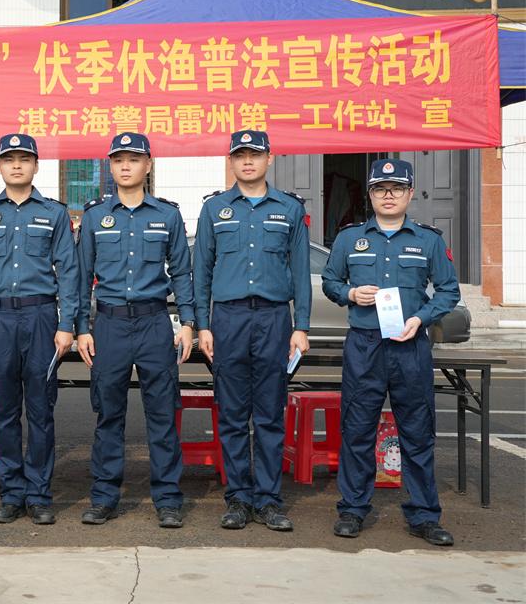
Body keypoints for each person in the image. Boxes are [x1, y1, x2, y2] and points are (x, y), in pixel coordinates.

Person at [322, 158, 459, 546]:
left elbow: (448, 290)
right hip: (364, 345)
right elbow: (330, 281)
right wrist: (350, 293)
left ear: (410, 193)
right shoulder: (349, 239)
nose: (388, 195)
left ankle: (424, 515)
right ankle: (352, 509)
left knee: (417, 433)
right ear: (370, 194)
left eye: (397, 188)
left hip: (409, 345)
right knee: (357, 429)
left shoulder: (429, 240)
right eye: (380, 189)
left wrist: (422, 318)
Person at [192, 129, 310, 532]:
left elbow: (301, 273)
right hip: (228, 320)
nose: (247, 161)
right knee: (232, 414)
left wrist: (301, 326)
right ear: (231, 161)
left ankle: (269, 500)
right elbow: (201, 272)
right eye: (240, 155)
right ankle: (239, 499)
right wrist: (203, 325)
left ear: (269, 159)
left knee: (270, 415)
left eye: (255, 154)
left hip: (274, 320)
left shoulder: (289, 209)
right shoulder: (214, 209)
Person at [76, 133, 195, 528]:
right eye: (118, 160)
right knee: (108, 414)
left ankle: (168, 499)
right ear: (110, 167)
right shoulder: (95, 217)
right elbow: (81, 277)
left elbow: (182, 273)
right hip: (109, 325)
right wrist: (82, 328)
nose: (125, 166)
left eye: (133, 159)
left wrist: (188, 323)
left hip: (154, 323)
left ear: (148, 164)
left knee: (162, 414)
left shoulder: (167, 215)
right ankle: (104, 496)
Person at [0, 133, 79, 526]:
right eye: (9, 159)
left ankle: (40, 495)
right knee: (5, 411)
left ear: (36, 166)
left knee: (41, 411)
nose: (17, 165)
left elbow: (69, 271)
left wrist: (66, 324)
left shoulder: (54, 213)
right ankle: (11, 494)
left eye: (24, 159)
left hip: (41, 319)